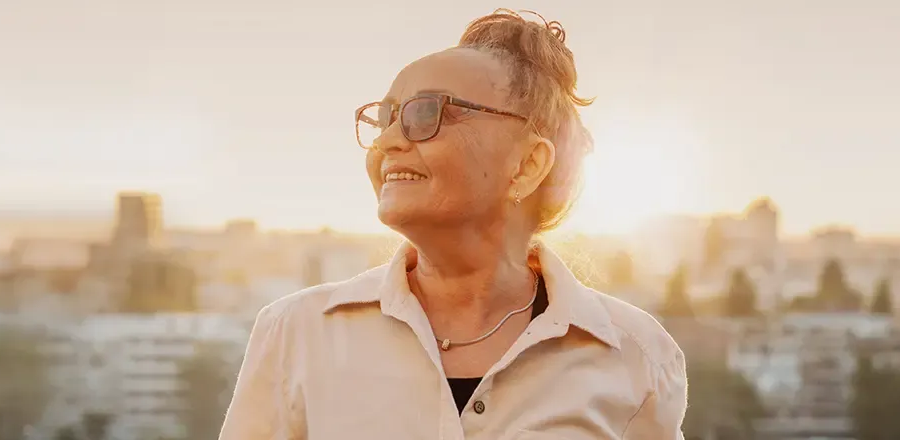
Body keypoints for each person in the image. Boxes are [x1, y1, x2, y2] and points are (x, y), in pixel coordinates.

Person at [218, 9, 688, 440]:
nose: (387, 141)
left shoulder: (638, 354)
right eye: (385, 118)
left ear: (527, 164)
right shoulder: (295, 333)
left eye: (427, 112)